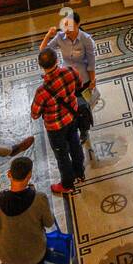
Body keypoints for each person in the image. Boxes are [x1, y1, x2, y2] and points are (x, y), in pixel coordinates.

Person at [30, 49, 84, 198]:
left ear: (41, 66)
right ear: (57, 59)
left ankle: (67, 185)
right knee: (75, 144)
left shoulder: (42, 91)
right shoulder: (70, 72)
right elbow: (79, 86)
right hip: (72, 117)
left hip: (55, 128)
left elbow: (34, 114)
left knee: (62, 156)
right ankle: (79, 173)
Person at [39, 8, 97, 109]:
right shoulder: (60, 37)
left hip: (83, 79)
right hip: (66, 78)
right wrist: (48, 35)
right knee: (70, 104)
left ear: (78, 24)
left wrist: (92, 81)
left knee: (85, 104)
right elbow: (43, 50)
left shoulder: (86, 39)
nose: (67, 30)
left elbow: (91, 63)